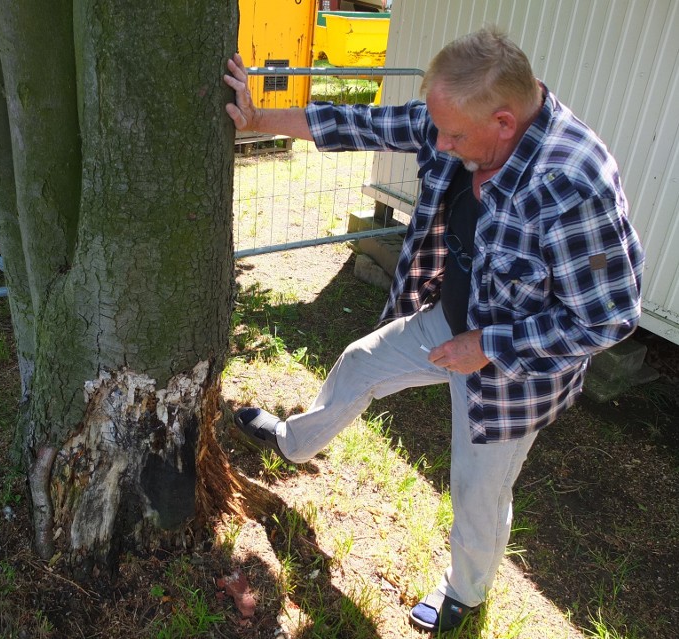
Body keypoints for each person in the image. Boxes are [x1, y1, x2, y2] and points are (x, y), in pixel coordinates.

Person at [224, 26, 644, 634]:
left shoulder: (572, 182)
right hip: (449, 322)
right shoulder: (459, 120)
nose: (439, 144)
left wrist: (489, 346)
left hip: (511, 374)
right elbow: (361, 125)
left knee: (477, 494)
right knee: (358, 364)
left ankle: (464, 594)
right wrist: (259, 119)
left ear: (504, 121)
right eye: (438, 129)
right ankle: (293, 443)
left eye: (453, 136)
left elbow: (609, 314)